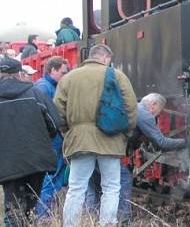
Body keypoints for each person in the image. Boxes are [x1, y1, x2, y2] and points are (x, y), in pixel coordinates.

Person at [54, 44, 137, 227]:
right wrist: (127, 133)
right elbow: (131, 108)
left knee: (76, 188)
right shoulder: (117, 76)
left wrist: (69, 131)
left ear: (90, 57)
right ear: (106, 58)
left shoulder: (69, 78)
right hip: (111, 139)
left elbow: (57, 110)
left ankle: (70, 224)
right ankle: (107, 224)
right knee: (111, 187)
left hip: (79, 139)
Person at [86, 93, 186, 223]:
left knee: (94, 185)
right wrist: (186, 142)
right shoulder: (144, 114)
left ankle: (89, 219)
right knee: (124, 178)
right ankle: (123, 219)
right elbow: (161, 143)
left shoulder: (132, 108)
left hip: (91, 146)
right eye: (158, 112)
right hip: (105, 150)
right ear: (153, 105)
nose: (156, 116)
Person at [0, 57, 64, 227]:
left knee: (12, 208)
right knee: (30, 205)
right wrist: (40, 140)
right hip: (36, 158)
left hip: (7, 162)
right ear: (19, 73)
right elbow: (54, 124)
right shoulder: (36, 93)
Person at [33, 56, 70, 217]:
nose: (65, 76)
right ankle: (43, 215)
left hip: (53, 138)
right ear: (52, 70)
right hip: (51, 140)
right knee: (50, 177)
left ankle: (47, 212)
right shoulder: (43, 87)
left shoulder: (49, 86)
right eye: (63, 72)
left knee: (55, 177)